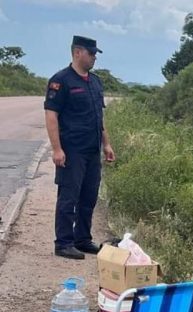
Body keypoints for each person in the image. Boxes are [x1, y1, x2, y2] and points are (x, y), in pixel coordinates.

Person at [44, 35, 115, 260]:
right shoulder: (61, 80)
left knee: (89, 197)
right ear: (77, 52)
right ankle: (63, 243)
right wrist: (57, 149)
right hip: (72, 150)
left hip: (92, 150)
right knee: (69, 197)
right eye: (91, 53)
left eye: (95, 54)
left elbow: (98, 116)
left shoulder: (95, 82)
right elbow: (51, 115)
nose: (95, 57)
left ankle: (82, 239)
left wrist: (107, 144)